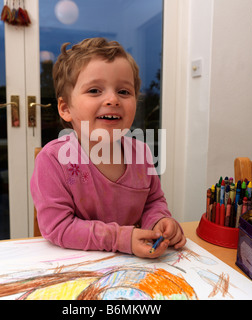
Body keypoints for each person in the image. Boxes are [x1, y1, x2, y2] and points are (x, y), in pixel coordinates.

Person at [30, 38, 185, 258]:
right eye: (94, 90)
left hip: (135, 267)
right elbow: (57, 227)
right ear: (65, 108)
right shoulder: (53, 160)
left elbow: (153, 201)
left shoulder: (141, 153)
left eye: (124, 92)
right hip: (76, 268)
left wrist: (160, 221)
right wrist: (121, 239)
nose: (113, 99)